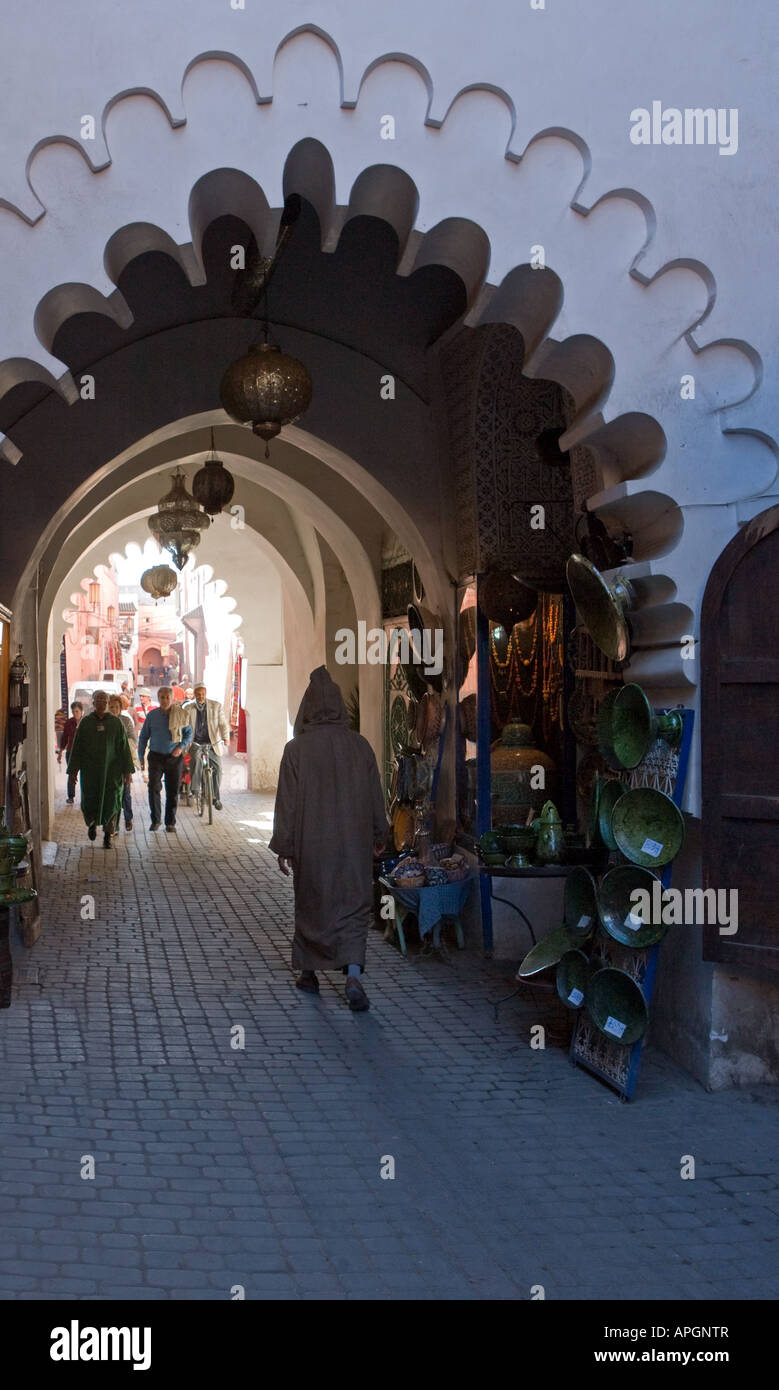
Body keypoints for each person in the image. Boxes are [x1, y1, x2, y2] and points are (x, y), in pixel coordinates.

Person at [269, 666, 390, 1012]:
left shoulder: (296, 751)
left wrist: (285, 847)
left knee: (312, 905)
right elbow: (374, 796)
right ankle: (353, 976)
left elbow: (287, 804)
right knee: (353, 906)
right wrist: (379, 834)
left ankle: (309, 973)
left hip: (313, 847)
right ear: (340, 706)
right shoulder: (360, 747)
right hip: (354, 846)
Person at [66, 690, 134, 848]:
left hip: (112, 772)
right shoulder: (86, 723)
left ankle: (108, 835)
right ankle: (91, 824)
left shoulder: (116, 723)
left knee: (112, 802)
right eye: (99, 701)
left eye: (105, 701)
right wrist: (73, 772)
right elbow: (77, 748)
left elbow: (124, 748)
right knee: (90, 800)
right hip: (91, 772)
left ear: (108, 703)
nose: (102, 704)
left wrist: (128, 771)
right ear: (93, 703)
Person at [137, 685, 193, 833]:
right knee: (153, 788)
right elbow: (143, 737)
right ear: (158, 698)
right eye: (162, 697)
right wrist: (140, 756)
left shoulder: (180, 714)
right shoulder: (152, 716)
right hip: (155, 757)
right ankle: (155, 820)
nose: (165, 700)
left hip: (174, 758)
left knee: (172, 790)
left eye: (167, 697)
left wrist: (180, 747)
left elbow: (188, 734)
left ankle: (170, 823)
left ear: (172, 698)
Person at [183, 683, 230, 811]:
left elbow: (223, 724)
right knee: (196, 761)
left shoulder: (215, 706)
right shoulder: (188, 708)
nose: (200, 696)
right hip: (196, 743)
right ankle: (195, 788)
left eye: (203, 694)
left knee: (218, 768)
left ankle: (215, 797)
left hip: (212, 743)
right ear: (194, 695)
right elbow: (184, 726)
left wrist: (226, 737)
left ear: (206, 693)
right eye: (198, 694)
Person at [109, 695, 139, 832]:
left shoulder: (126, 721)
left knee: (125, 793)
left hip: (123, 762)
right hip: (109, 764)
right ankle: (112, 824)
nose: (113, 709)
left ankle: (128, 818)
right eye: (111, 707)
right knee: (111, 794)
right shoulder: (105, 722)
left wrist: (123, 744)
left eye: (116, 707)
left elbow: (133, 739)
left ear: (120, 708)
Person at [57, 700, 84, 804]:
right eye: (73, 712)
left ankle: (84, 797)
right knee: (72, 773)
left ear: (81, 711)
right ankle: (71, 796)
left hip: (83, 753)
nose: (75, 714)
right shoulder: (69, 722)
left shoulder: (86, 722)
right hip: (71, 752)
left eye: (77, 711)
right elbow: (64, 738)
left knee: (84, 775)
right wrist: (60, 753)